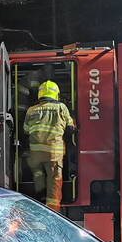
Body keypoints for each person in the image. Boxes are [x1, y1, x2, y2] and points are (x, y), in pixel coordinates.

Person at [23, 80, 75, 211]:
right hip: (53, 153)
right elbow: (70, 129)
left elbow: (25, 130)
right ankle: (53, 211)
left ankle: (38, 203)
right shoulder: (61, 107)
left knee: (38, 176)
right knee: (54, 181)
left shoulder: (31, 110)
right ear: (56, 94)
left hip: (35, 154)